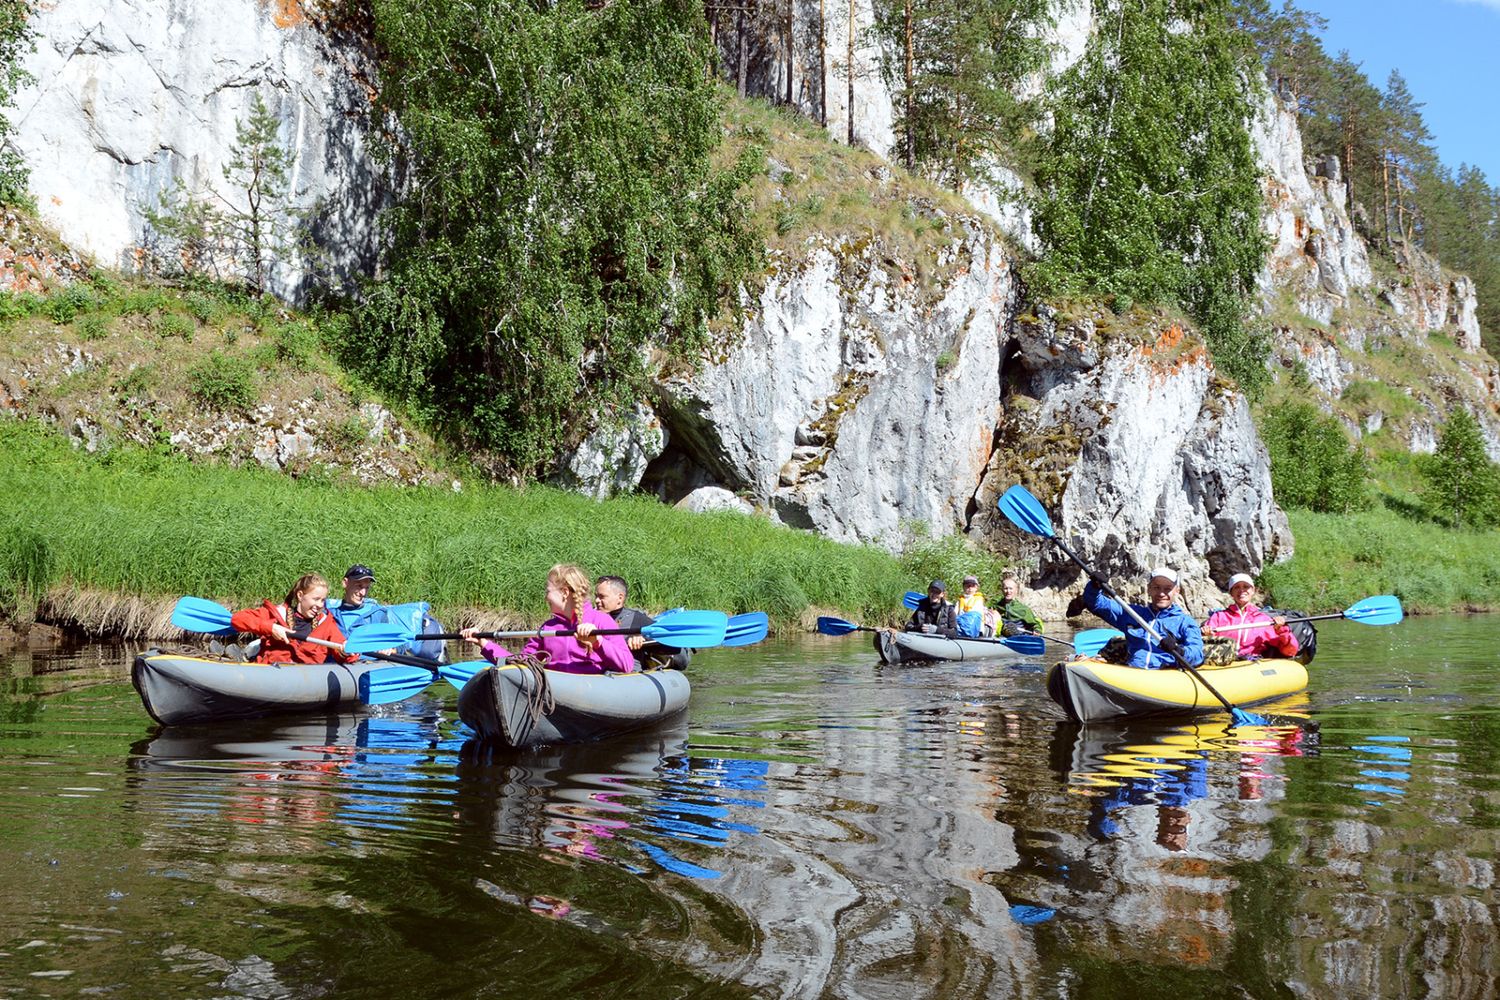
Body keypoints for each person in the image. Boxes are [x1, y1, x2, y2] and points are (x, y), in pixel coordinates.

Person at [462, 563, 636, 675]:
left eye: (548, 592)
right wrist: (483, 643)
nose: (546, 598)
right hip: (557, 693)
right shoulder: (547, 628)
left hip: (591, 692)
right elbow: (520, 663)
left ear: (564, 593)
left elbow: (627, 665)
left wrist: (598, 642)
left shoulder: (602, 621)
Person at [1081, 566, 1203, 669]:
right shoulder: (1131, 613)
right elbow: (1096, 603)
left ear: (1177, 591)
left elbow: (1197, 654)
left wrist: (1178, 650)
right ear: (1149, 589)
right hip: (1134, 672)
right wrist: (1094, 586)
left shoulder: (1185, 622)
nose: (1161, 593)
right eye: (1156, 587)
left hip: (1165, 677)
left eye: (1167, 589)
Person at [229, 572, 359, 665]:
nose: (319, 605)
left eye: (323, 600)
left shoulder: (326, 623)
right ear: (300, 595)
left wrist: (346, 651)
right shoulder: (278, 614)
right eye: (316, 599)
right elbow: (237, 619)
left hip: (306, 680)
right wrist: (270, 627)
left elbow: (343, 655)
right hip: (270, 673)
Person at [593, 575, 691, 671]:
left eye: (602, 597)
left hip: (628, 676)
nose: (597, 600)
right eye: (596, 596)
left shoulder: (638, 619)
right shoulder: (589, 618)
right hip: (597, 673)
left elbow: (674, 649)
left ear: (620, 598)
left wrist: (644, 638)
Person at [1201, 573, 1299, 660]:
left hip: (1251, 663)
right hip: (1222, 661)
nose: (1241, 590)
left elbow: (1290, 650)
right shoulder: (1218, 617)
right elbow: (1204, 644)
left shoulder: (1263, 620)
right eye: (1237, 587)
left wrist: (1281, 629)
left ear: (1253, 591)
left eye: (1246, 587)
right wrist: (1207, 635)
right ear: (1231, 593)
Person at [324, 564, 381, 636]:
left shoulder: (375, 613)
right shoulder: (328, 612)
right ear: (345, 583)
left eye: (367, 588)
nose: (363, 593)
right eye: (359, 586)